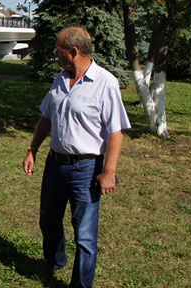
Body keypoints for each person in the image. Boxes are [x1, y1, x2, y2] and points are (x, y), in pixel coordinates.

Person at [22, 26, 130, 288]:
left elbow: (115, 131)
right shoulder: (60, 79)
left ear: (72, 51)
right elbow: (47, 117)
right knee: (48, 220)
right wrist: (33, 149)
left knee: (84, 235)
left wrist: (109, 171)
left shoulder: (105, 82)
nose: (55, 55)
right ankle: (54, 261)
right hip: (55, 164)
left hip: (86, 169)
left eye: (58, 50)